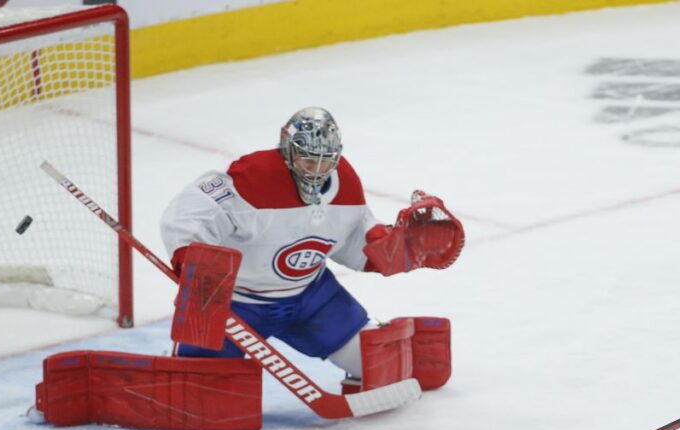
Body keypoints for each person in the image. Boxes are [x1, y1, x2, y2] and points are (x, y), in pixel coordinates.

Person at [159, 106, 463, 394]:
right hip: (234, 304)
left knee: (378, 370)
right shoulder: (252, 178)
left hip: (310, 299)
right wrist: (191, 256)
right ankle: (182, 361)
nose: (317, 170)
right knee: (202, 391)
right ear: (288, 152)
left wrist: (402, 247)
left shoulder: (345, 183)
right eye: (308, 159)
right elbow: (189, 213)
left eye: (326, 160)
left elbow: (356, 242)